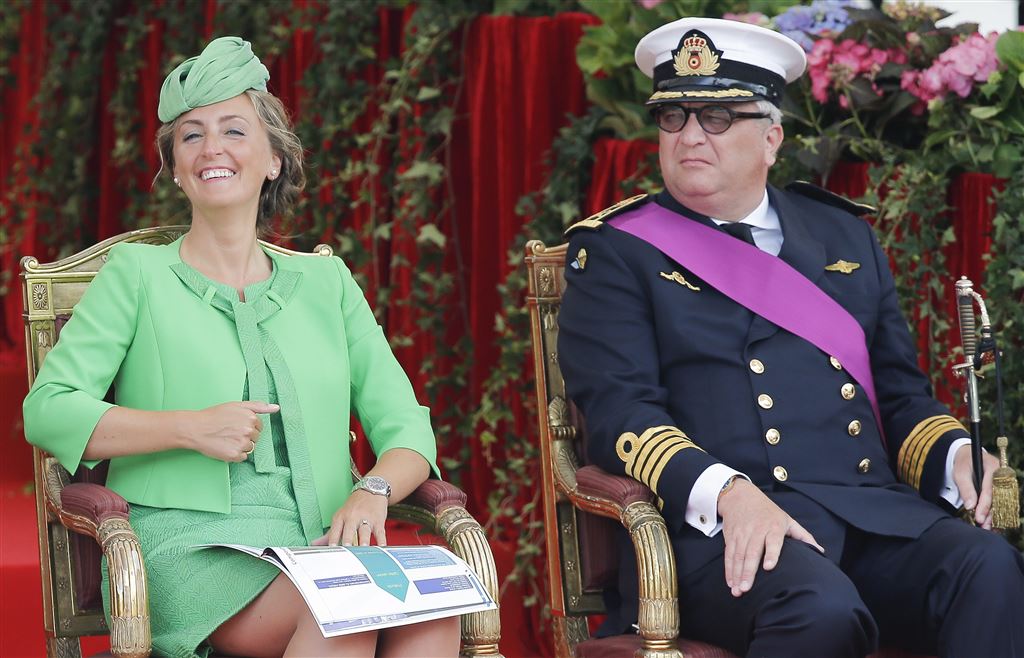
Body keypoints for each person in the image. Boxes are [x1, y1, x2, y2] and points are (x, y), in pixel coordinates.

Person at [558, 17, 1024, 658]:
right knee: (819, 610)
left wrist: (957, 459)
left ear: (771, 138)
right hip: (721, 532)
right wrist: (729, 494)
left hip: (868, 512)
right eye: (673, 117)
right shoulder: (617, 252)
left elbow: (900, 398)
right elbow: (622, 414)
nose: (690, 136)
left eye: (717, 117)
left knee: (988, 569)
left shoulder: (843, 235)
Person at [23, 36, 460, 658]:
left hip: (321, 540)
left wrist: (374, 491)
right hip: (192, 546)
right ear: (176, 168)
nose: (212, 148)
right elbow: (48, 410)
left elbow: (408, 427)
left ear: (273, 160)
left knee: (432, 616)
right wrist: (188, 428)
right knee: (344, 613)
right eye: (191, 136)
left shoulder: (327, 283)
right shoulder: (136, 275)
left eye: (234, 130)